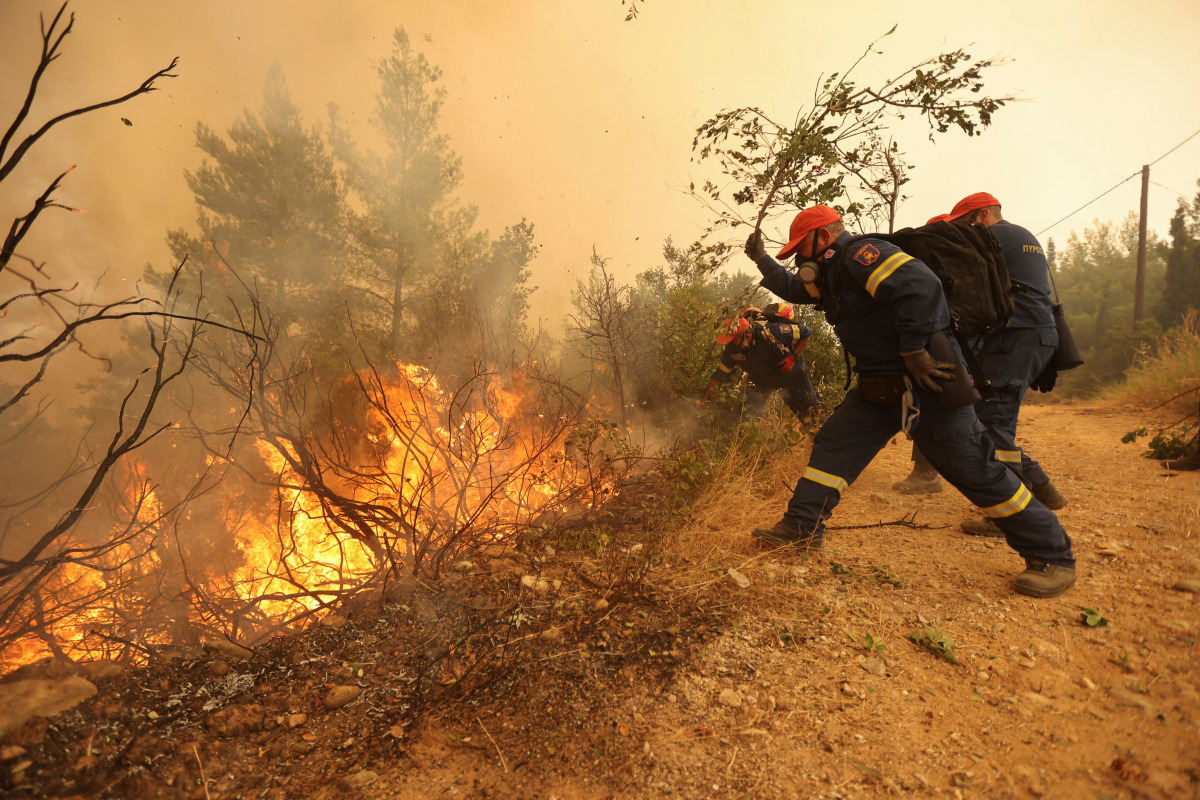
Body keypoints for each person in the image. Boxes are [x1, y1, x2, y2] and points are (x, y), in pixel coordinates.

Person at [744, 205, 1076, 598]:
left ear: (826, 236)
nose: (801, 259)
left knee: (975, 469)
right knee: (835, 444)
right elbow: (796, 288)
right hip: (878, 386)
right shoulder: (833, 274)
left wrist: (916, 348)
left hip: (926, 383)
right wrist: (762, 260)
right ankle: (802, 526)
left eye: (803, 248)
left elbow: (922, 286)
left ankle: (1053, 555)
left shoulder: (862, 255)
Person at [894, 193, 1068, 537]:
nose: (964, 233)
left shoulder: (996, 235)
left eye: (965, 225)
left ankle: (1012, 516)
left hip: (1017, 338)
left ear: (983, 216)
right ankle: (1040, 486)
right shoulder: (1022, 237)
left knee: (992, 425)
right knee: (992, 421)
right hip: (1032, 336)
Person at [702, 304, 819, 419]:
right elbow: (719, 375)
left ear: (747, 335)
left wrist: (793, 357)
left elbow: (806, 332)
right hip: (762, 381)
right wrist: (705, 400)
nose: (730, 343)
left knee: (812, 416)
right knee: (746, 416)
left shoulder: (772, 332)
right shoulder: (733, 350)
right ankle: (744, 435)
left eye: (733, 340)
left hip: (792, 377)